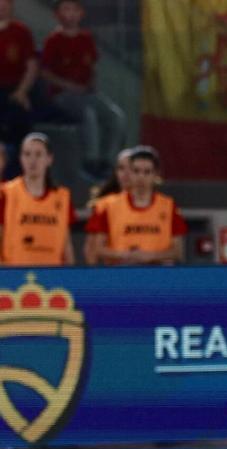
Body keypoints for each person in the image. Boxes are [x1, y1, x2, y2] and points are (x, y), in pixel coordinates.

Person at [39, 0, 126, 179]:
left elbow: (91, 66)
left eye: (74, 10)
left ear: (81, 13)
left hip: (88, 94)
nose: (70, 14)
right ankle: (90, 162)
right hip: (62, 95)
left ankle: (107, 162)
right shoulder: (53, 40)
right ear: (58, 14)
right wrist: (69, 86)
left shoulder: (87, 38)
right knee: (88, 114)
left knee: (115, 116)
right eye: (66, 10)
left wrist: (91, 86)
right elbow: (45, 73)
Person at [84, 145, 186, 265]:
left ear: (155, 175)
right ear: (130, 173)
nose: (141, 177)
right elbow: (95, 249)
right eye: (136, 171)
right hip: (121, 275)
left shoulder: (168, 206)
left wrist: (150, 256)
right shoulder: (109, 206)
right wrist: (126, 255)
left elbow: (178, 251)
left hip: (159, 274)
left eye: (147, 172)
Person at [0, 132, 75, 265]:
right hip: (13, 277)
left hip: (52, 276)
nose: (32, 160)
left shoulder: (62, 197)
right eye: (27, 154)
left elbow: (66, 244)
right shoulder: (6, 193)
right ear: (20, 158)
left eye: (38, 154)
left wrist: (70, 277)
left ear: (49, 159)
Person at [0, 0, 35, 171]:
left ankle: (19, 175)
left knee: (19, 120)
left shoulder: (21, 32)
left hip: (14, 90)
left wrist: (22, 91)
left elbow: (32, 66)